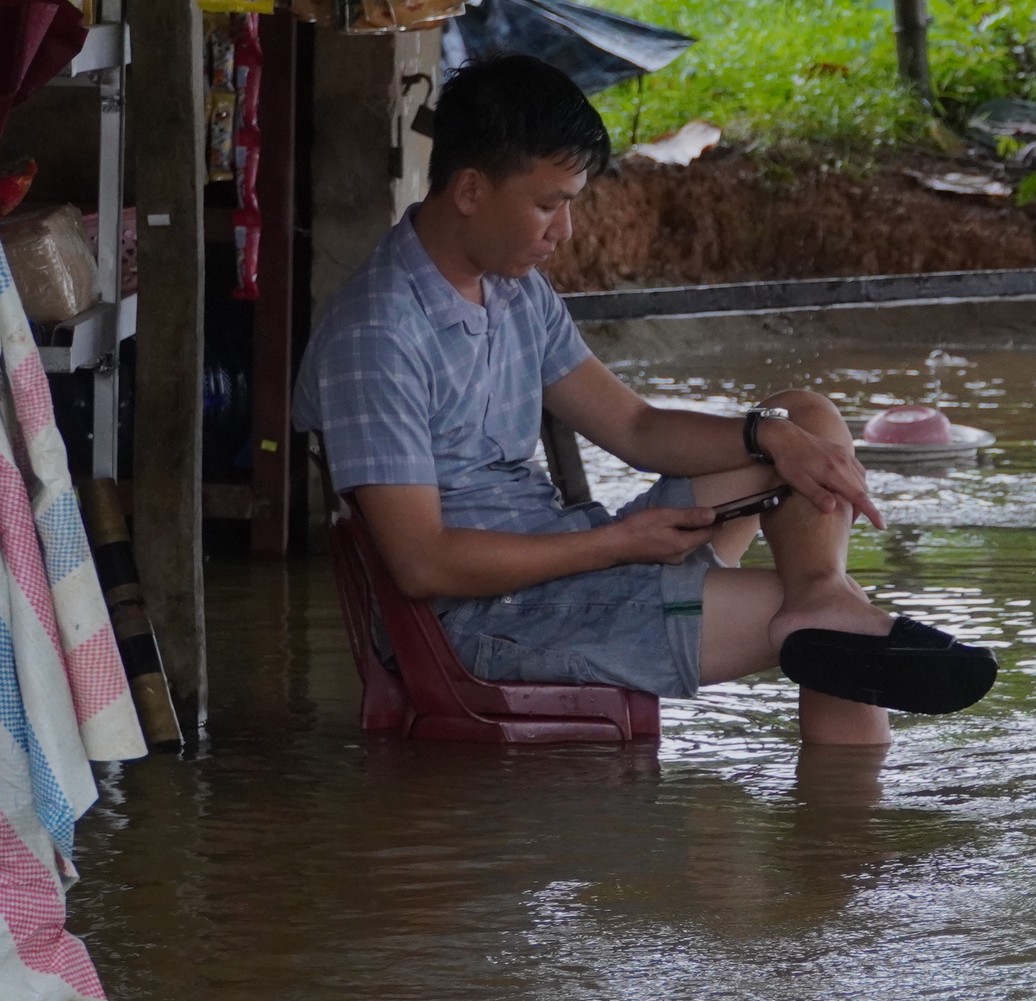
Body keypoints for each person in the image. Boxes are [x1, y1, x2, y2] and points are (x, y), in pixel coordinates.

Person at [293, 54, 995, 749]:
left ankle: (821, 594)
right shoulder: (378, 334)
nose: (563, 231)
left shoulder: (513, 289)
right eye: (548, 204)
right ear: (471, 190)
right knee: (835, 643)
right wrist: (615, 544)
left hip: (572, 559)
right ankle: (844, 843)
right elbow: (425, 563)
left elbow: (633, 425)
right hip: (488, 616)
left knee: (801, 419)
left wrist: (762, 436)